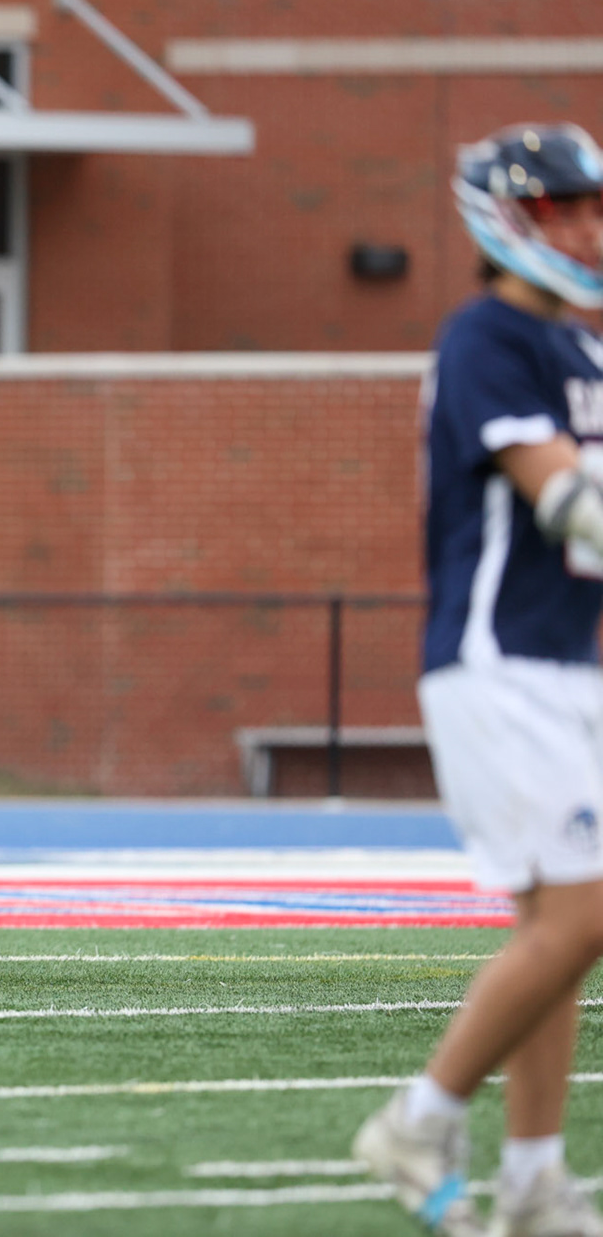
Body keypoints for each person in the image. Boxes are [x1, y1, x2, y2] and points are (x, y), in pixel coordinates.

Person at [353, 122, 603, 1237]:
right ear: (512, 220)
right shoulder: (486, 335)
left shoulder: (582, 350)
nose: (590, 227)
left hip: (561, 661)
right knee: (583, 912)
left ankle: (536, 1177)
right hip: (499, 664)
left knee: (564, 919)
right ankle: (421, 1113)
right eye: (566, 209)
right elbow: (567, 502)